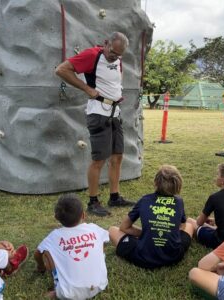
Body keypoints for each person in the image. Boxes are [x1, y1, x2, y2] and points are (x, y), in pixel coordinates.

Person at [55, 32, 134, 217]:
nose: (115, 57)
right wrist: (86, 88)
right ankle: (93, 201)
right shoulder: (92, 55)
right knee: (99, 159)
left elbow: (112, 81)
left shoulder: (117, 59)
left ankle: (114, 197)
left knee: (117, 156)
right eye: (113, 52)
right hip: (98, 113)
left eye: (119, 55)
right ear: (105, 43)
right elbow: (61, 69)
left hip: (115, 112)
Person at [108, 165, 194, 269]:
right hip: (173, 257)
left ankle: (147, 241)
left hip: (143, 258)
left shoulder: (145, 200)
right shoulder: (179, 202)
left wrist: (147, 233)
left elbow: (124, 227)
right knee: (189, 225)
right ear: (178, 184)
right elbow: (182, 226)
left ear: (156, 183)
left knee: (112, 230)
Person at [34, 194, 109, 299]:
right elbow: (105, 240)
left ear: (56, 217)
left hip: (68, 293)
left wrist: (41, 266)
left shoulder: (54, 236)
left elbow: (37, 253)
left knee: (46, 252)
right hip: (99, 285)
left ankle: (56, 292)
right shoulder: (94, 228)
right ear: (83, 215)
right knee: (100, 242)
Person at [187, 162, 224, 249]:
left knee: (190, 221)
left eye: (218, 175)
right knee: (216, 227)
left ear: (223, 180)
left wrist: (204, 220)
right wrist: (215, 220)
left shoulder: (214, 197)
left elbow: (199, 222)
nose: (216, 177)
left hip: (221, 242)